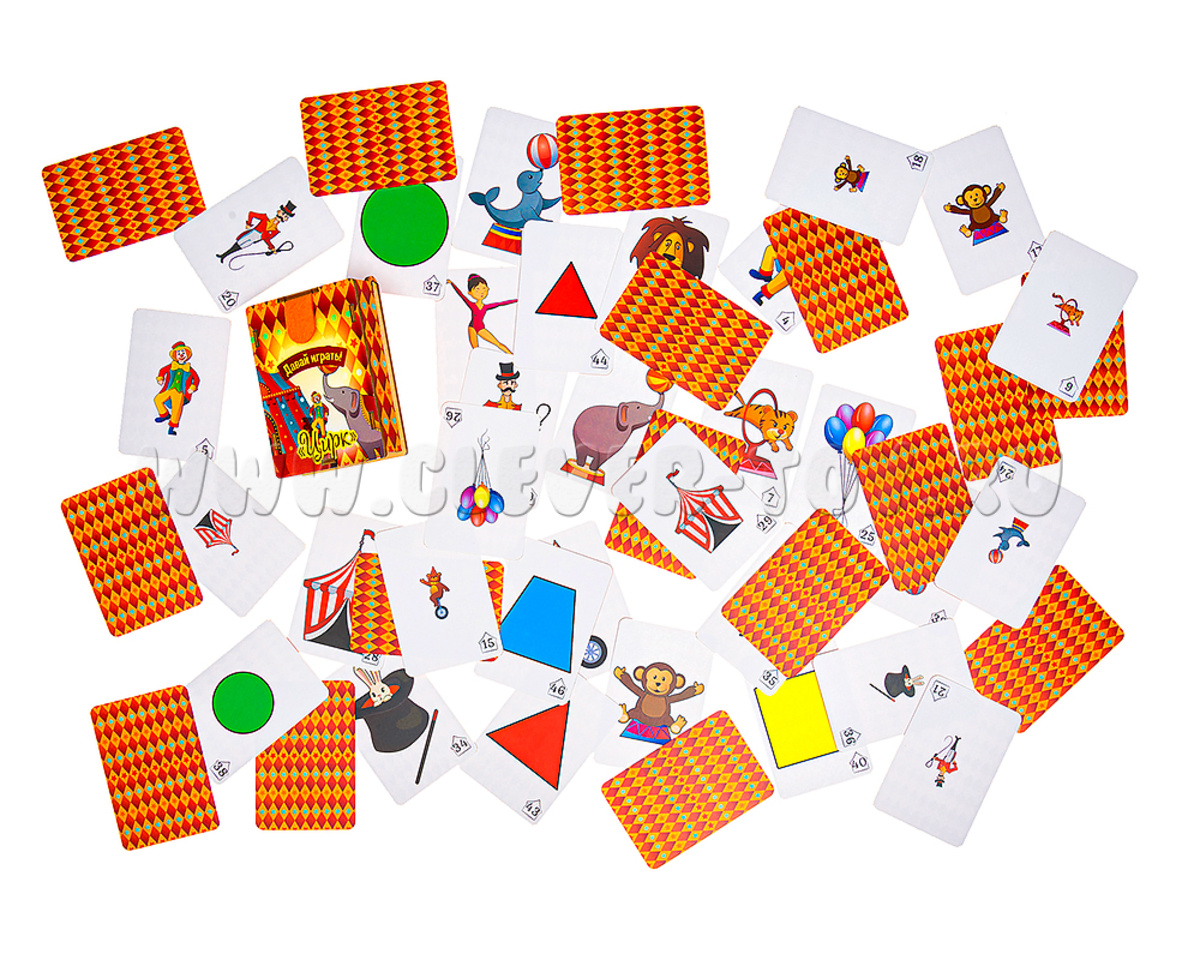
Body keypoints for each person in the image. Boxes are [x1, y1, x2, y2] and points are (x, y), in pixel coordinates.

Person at [449, 274, 515, 352]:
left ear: (487, 289)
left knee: (497, 343)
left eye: (483, 288)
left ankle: (511, 355)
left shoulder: (485, 307)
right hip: (472, 328)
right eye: (477, 290)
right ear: (470, 292)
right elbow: (461, 295)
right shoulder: (472, 305)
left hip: (480, 328)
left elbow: (501, 303)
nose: (481, 292)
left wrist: (517, 300)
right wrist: (452, 283)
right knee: (476, 350)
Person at [154, 341, 200, 435]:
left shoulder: (189, 369)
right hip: (169, 389)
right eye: (179, 353)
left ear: (187, 354)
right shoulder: (171, 366)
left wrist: (192, 387)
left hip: (180, 392)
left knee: (176, 409)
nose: (181, 355)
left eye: (183, 353)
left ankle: (171, 428)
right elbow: (162, 370)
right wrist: (160, 378)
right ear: (175, 355)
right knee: (158, 399)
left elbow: (196, 379)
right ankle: (165, 414)